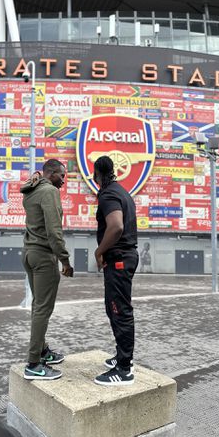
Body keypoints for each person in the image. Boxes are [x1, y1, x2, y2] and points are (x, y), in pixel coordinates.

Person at [21, 159, 74, 381]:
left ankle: (43, 351)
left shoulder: (31, 190)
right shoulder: (49, 191)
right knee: (43, 309)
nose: (63, 180)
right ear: (50, 173)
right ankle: (33, 363)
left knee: (37, 306)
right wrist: (65, 260)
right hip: (43, 257)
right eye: (61, 175)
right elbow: (54, 230)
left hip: (29, 254)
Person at [93, 156, 139, 386]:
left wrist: (98, 251)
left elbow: (116, 226)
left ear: (97, 174)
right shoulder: (122, 191)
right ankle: (122, 357)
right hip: (124, 257)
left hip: (118, 258)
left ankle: (124, 369)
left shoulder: (108, 193)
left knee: (119, 311)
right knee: (113, 309)